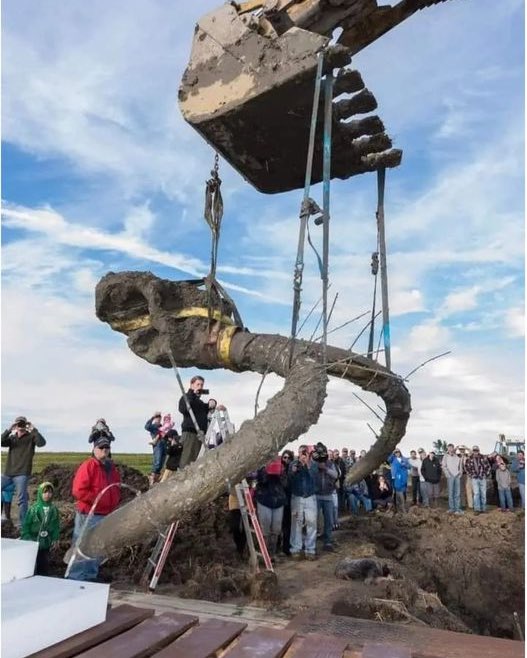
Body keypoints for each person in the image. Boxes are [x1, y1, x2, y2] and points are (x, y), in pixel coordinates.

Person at [67, 436, 121, 582]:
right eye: (101, 448)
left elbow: (116, 487)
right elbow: (78, 490)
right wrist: (97, 499)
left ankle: (90, 576)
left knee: (96, 546)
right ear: (94, 449)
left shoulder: (111, 468)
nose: (104, 450)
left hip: (105, 514)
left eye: (107, 448)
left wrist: (113, 502)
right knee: (82, 545)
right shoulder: (88, 466)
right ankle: (75, 577)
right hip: (89, 514)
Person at [1, 416, 46, 527]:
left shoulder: (31, 437)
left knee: (22, 498)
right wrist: (9, 429)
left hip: (22, 473)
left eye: (22, 423)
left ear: (26, 424)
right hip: (8, 472)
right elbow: (1, 441)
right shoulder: (12, 438)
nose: (20, 426)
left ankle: (23, 524)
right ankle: (5, 516)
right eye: (18, 424)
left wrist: (33, 429)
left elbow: (41, 443)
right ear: (15, 425)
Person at [179, 376, 225, 468]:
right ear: (192, 385)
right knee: (186, 461)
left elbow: (205, 408)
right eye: (198, 384)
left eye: (202, 385)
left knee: (196, 461)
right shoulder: (186, 397)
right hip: (190, 434)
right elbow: (183, 408)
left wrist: (214, 405)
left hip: (200, 435)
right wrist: (192, 394)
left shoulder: (198, 402)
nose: (200, 387)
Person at [21, 481, 60, 576]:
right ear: (40, 493)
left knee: (44, 561)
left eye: (50, 492)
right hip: (33, 540)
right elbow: (26, 524)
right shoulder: (34, 509)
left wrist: (55, 538)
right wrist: (26, 535)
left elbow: (56, 525)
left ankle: (43, 576)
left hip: (46, 542)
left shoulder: (54, 510)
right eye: (45, 492)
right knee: (32, 561)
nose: (47, 495)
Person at [289, 446, 318, 560]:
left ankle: (310, 550)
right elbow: (290, 478)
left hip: (310, 497)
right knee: (296, 523)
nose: (303, 455)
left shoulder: (313, 464)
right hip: (297, 497)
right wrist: (294, 471)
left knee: (312, 523)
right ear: (298, 453)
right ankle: (296, 549)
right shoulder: (294, 464)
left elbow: (314, 476)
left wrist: (308, 464)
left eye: (305, 453)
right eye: (301, 452)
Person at [255, 457, 287, 557]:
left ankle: (272, 553)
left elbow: (285, 484)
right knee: (265, 529)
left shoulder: (281, 467)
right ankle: (264, 554)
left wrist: (281, 472)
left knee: (276, 529)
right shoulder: (261, 467)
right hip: (265, 499)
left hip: (278, 501)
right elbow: (260, 481)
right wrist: (266, 470)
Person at [313, 443, 338, 551]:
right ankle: (312, 541)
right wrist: (316, 467)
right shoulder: (313, 463)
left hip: (328, 495)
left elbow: (336, 475)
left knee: (329, 519)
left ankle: (328, 541)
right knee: (314, 519)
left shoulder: (330, 463)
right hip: (316, 495)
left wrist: (325, 469)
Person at [464, 446, 491, 514]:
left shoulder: (483, 457)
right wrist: (471, 475)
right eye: (474, 450)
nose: (475, 452)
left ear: (479, 450)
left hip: (482, 478)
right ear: (472, 451)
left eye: (477, 450)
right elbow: (466, 468)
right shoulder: (469, 458)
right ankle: (477, 509)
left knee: (483, 494)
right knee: (476, 494)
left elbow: (488, 467)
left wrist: (485, 475)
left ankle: (483, 509)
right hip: (474, 479)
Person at [280, 450, 294, 556]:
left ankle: (286, 546)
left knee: (287, 525)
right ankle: (276, 546)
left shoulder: (292, 469)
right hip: (279, 500)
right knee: (277, 525)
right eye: (284, 457)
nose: (286, 460)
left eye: (288, 458)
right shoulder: (279, 468)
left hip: (289, 500)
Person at [144, 412, 166, 486]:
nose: (159, 418)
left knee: (162, 461)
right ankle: (152, 477)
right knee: (158, 460)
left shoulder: (163, 426)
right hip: (158, 444)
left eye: (159, 417)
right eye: (157, 417)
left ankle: (157, 479)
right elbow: (146, 426)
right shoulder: (153, 426)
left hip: (164, 444)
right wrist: (152, 417)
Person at [442, 443, 463, 514]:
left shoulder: (457, 456)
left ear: (453, 448)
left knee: (457, 493)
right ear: (448, 449)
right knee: (451, 493)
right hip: (450, 476)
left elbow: (460, 465)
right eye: (449, 448)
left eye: (452, 447)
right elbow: (444, 466)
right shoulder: (445, 456)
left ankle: (457, 509)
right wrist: (447, 475)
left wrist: (460, 472)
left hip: (457, 476)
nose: (451, 449)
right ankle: (452, 508)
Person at [458, 446, 473, 510]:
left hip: (467, 475)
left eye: (463, 450)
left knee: (468, 490)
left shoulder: (467, 456)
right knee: (462, 490)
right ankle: (463, 505)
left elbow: (471, 451)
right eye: (461, 450)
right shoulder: (457, 457)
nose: (462, 451)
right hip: (460, 475)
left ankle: (470, 505)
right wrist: (456, 448)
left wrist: (466, 447)